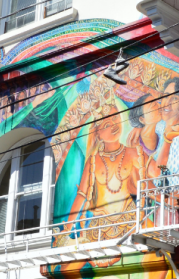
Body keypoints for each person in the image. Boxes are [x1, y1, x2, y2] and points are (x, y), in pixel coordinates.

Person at [61, 104, 145, 245]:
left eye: (115, 117)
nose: (114, 124)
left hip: (130, 220)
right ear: (97, 134)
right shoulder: (93, 160)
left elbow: (150, 181)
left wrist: (167, 199)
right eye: (107, 123)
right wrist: (66, 230)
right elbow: (81, 195)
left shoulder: (133, 153)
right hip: (100, 226)